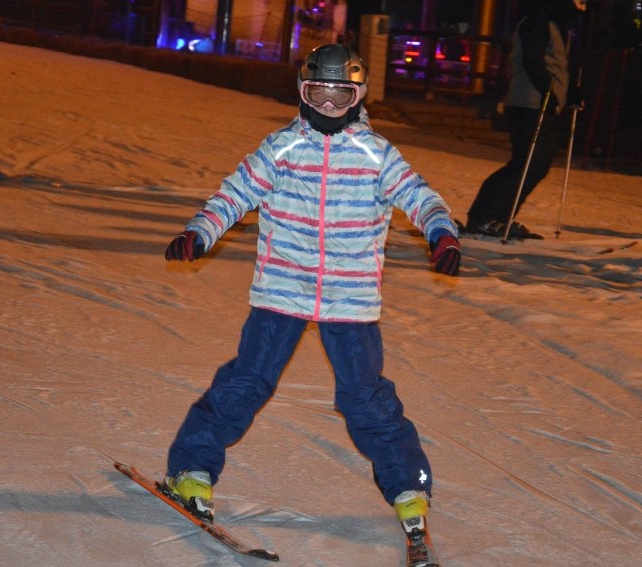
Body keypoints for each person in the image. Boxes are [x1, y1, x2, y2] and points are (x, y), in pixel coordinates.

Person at [160, 44, 461, 538]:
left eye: (340, 94)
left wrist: (440, 232)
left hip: (350, 298)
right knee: (246, 381)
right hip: (282, 289)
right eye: (318, 91)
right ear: (303, 91)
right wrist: (201, 231)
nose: (327, 105)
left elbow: (420, 196)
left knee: (365, 397)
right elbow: (234, 193)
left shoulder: (376, 154)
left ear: (358, 96)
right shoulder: (280, 148)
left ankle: (407, 483)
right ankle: (191, 468)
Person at [465, 0, 587, 240]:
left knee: (535, 167)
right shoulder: (538, 20)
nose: (582, 7)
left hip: (543, 104)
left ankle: (501, 219)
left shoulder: (556, 24)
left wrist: (569, 91)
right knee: (525, 165)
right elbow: (532, 61)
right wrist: (549, 92)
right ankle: (483, 217)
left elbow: (556, 66)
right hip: (529, 104)